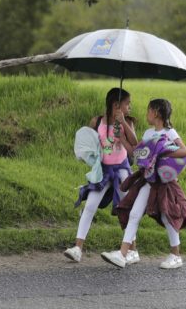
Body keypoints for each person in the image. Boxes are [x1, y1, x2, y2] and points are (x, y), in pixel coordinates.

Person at [101, 98, 186, 269]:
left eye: (148, 110)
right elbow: (137, 154)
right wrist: (122, 138)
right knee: (134, 213)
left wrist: (162, 155)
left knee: (167, 215)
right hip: (148, 181)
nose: (146, 114)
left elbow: (184, 151)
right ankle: (123, 254)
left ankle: (176, 255)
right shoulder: (149, 134)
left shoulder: (170, 133)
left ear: (156, 112)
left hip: (164, 183)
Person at [64, 88, 139, 264]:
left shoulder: (127, 121)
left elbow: (135, 142)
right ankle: (77, 248)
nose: (130, 107)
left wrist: (123, 126)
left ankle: (133, 251)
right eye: (127, 104)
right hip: (103, 172)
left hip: (121, 171)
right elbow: (87, 140)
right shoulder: (97, 121)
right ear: (116, 105)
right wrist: (88, 155)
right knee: (90, 205)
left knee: (125, 209)